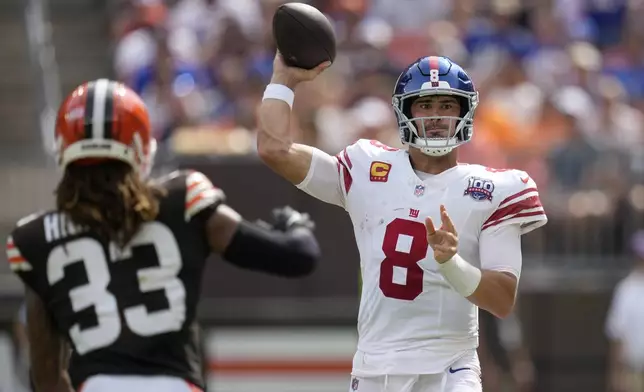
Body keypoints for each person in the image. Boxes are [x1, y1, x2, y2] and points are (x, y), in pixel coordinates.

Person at [5, 79, 321, 392]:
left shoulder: (36, 239)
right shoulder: (181, 201)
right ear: (142, 148)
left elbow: (47, 376)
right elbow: (297, 256)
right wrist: (296, 226)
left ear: (62, 149)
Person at [257, 54, 547, 392]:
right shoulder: (367, 167)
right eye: (425, 105)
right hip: (374, 368)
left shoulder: (494, 189)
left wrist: (451, 263)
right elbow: (273, 150)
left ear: (465, 111)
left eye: (446, 104)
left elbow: (501, 299)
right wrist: (282, 79)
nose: (437, 115)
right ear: (404, 112)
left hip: (449, 368)